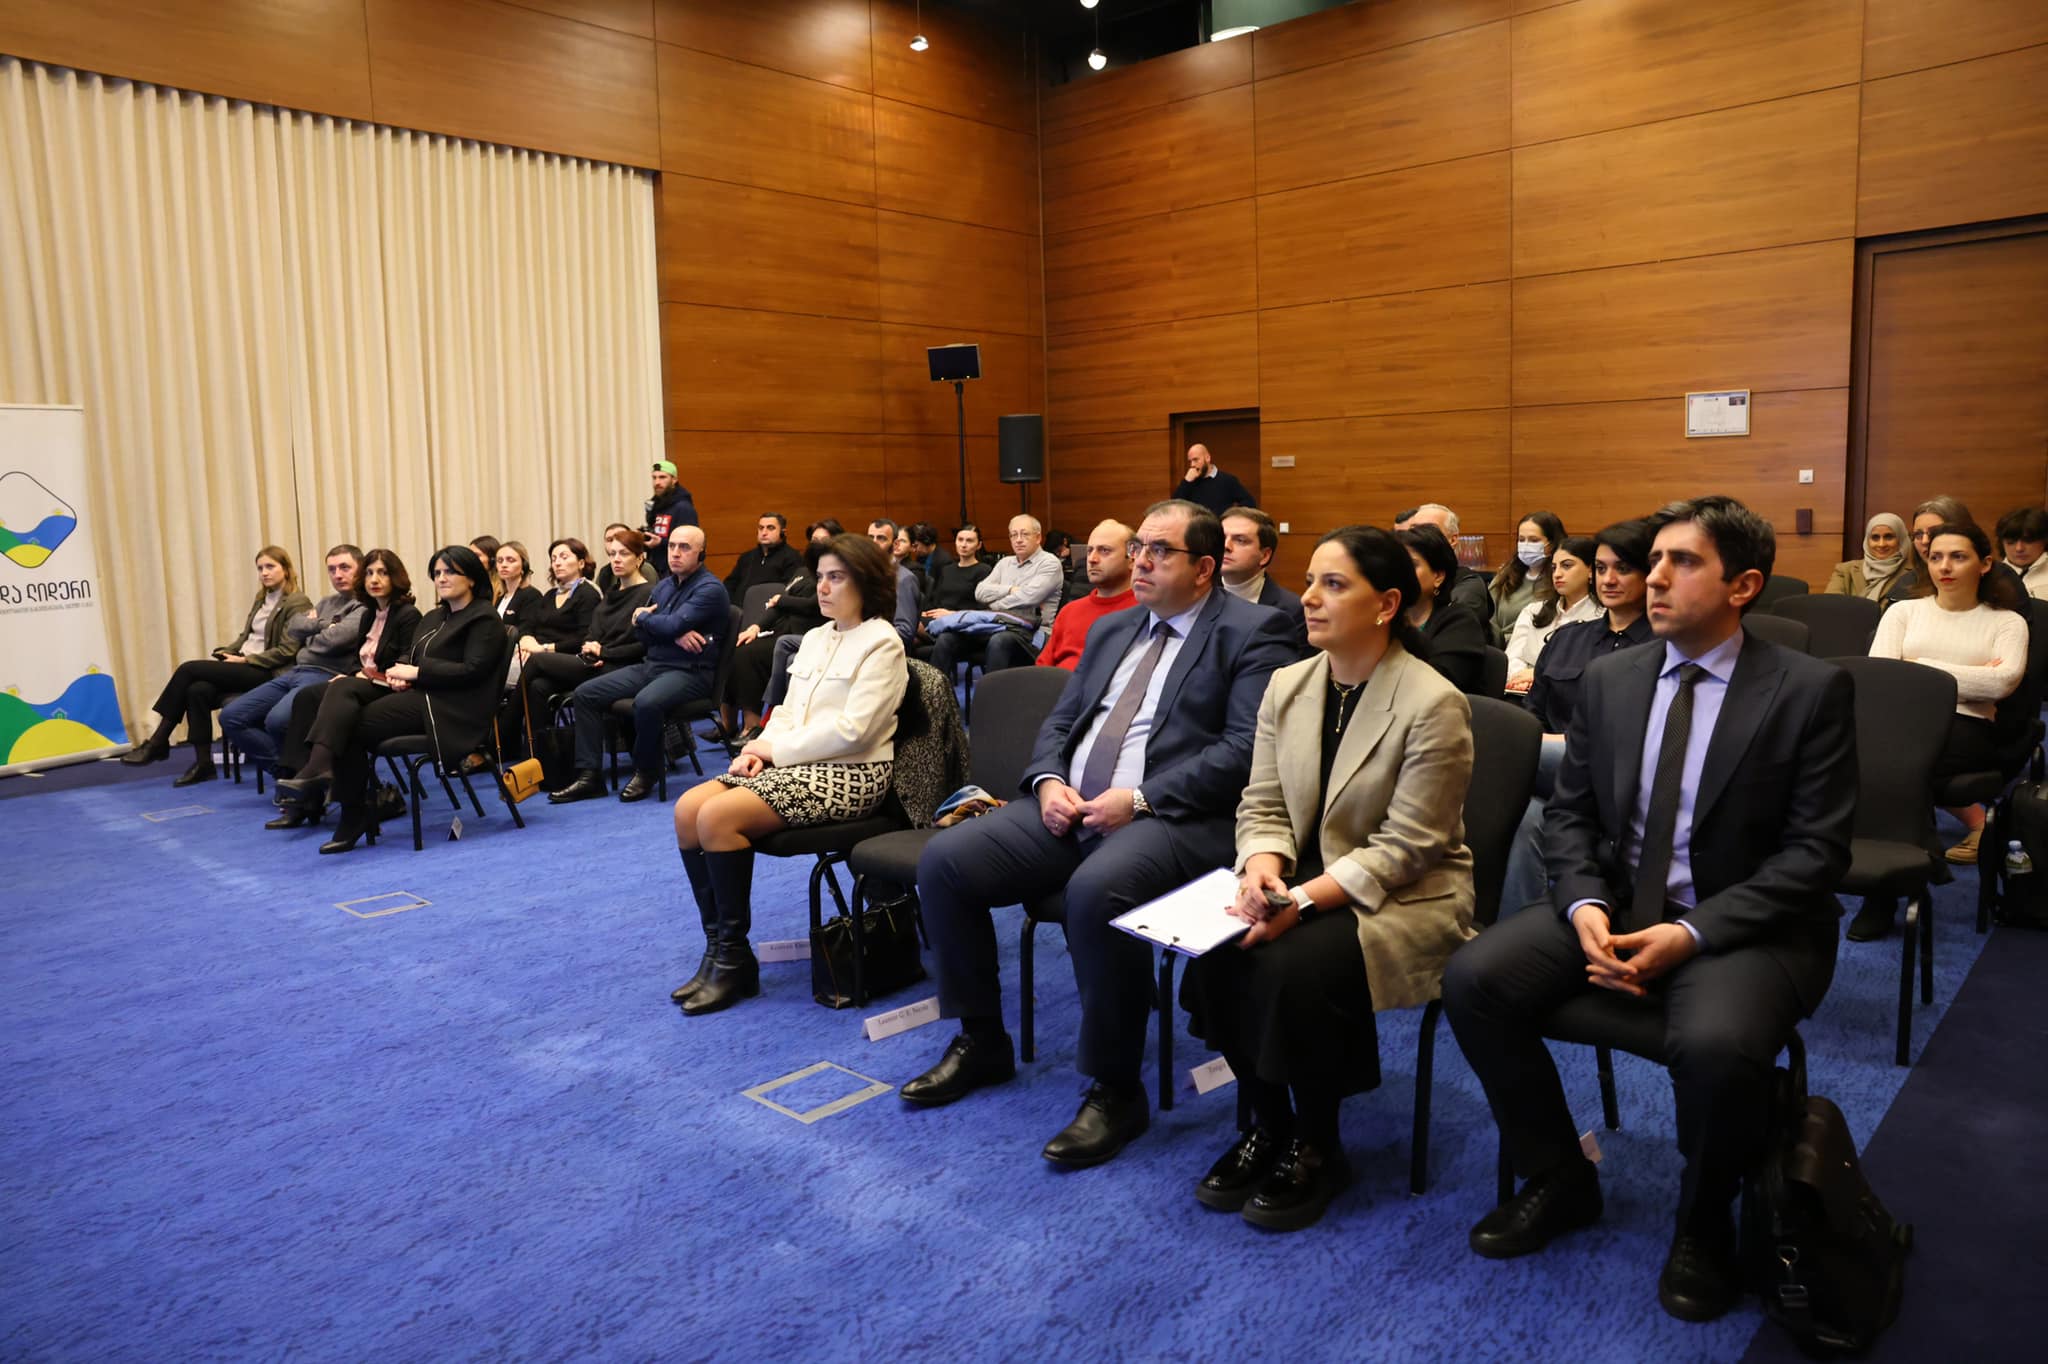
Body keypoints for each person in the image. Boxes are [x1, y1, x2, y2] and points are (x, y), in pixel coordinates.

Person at [1444, 495, 1856, 1325]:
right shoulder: (1612, 678)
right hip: (1616, 903)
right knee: (1474, 980)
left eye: (1683, 562)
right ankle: (1559, 1174)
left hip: (1744, 925)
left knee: (1715, 1045)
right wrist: (1584, 904)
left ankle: (1703, 1221)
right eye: (1654, 559)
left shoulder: (1809, 690)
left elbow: (1816, 856)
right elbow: (1571, 816)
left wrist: (1690, 932)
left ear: (1743, 586)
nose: (1654, 578)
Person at [900, 499, 1296, 1169]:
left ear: (1204, 569)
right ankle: (981, 1039)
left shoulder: (1255, 631)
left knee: (1095, 892)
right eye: (1139, 547)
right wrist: (1048, 781)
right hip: (1072, 804)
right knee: (945, 862)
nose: (1141, 561)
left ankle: (1115, 1089)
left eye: (1160, 551)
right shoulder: (1115, 628)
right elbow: (1060, 722)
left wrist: (1137, 798)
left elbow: (1242, 750)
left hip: (1172, 816)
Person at [1182, 525, 1476, 1231]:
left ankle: (1318, 1145)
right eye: (1311, 581)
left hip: (1403, 892)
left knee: (1292, 966)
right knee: (1216, 950)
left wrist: (1299, 901)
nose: (1309, 598)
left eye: (1334, 585)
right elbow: (1262, 802)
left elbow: (1408, 846)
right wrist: (1261, 869)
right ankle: (1269, 1124)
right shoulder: (1290, 684)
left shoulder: (1433, 701)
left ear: (1387, 605)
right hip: (1299, 874)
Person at [669, 533, 908, 1015]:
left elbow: (854, 732)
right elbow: (788, 711)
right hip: (800, 762)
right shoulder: (816, 638)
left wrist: (775, 751)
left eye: (836, 578)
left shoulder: (883, 642)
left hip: (853, 775)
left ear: (866, 583)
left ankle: (733, 960)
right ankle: (721, 951)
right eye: (820, 577)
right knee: (687, 809)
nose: (823, 587)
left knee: (716, 817)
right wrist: (758, 750)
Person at [274, 546, 510, 854]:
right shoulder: (436, 616)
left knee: (349, 722)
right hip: (423, 695)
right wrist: (401, 672)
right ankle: (338, 793)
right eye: (437, 573)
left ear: (472, 578)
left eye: (450, 572)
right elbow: (411, 656)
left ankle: (348, 807)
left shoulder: (484, 618)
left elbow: (473, 670)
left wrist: (417, 672)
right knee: (343, 699)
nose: (441, 578)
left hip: (453, 710)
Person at [1500, 520, 1657, 914]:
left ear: (1650, 575)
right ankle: (1523, 931)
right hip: (1552, 774)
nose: (1609, 579)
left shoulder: (1665, 647)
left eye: (1623, 569)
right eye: (1601, 568)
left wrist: (1551, 744)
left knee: (1495, 753)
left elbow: (1639, 734)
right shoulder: (1569, 638)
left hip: (1619, 774)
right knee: (1528, 817)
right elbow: (1533, 712)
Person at [1862, 521, 2028, 884]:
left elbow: (2001, 683)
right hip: (1900, 721)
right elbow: (1882, 677)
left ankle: (1897, 877)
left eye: (1958, 557)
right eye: (1935, 557)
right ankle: (1920, 857)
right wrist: (1971, 676)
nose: (1944, 567)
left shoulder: (2007, 622)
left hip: (1968, 726)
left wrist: (1917, 666)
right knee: (1871, 755)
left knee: (1898, 766)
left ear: (1985, 564)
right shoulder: (1903, 612)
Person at [550, 526, 731, 804]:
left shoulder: (710, 589)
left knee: (646, 702)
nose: (675, 553)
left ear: (702, 553)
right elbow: (643, 635)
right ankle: (589, 777)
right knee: (585, 694)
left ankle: (647, 771)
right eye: (672, 546)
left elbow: (663, 623)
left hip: (691, 672)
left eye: (685, 547)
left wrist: (646, 618)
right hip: (654, 665)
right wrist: (669, 631)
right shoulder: (664, 586)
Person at [121, 545, 314, 785]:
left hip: (267, 671)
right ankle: (204, 764)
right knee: (197, 690)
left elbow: (287, 650)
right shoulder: (262, 598)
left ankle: (158, 741)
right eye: (260, 568)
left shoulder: (297, 602)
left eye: (270, 567)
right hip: (245, 664)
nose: (264, 573)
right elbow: (246, 637)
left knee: (188, 669)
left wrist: (245, 659)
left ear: (285, 569)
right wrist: (229, 651)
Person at [265, 549, 422, 829]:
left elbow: (405, 659)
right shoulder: (369, 615)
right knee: (307, 697)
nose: (374, 579)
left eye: (382, 573)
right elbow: (356, 660)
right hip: (363, 682)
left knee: (342, 690)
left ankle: (318, 768)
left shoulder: (407, 614)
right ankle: (303, 791)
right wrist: (351, 674)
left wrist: (359, 676)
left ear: (395, 577)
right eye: (370, 573)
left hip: (390, 686)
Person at [219, 545, 365, 774]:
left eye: (345, 567)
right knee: (231, 716)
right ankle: (289, 773)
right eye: (332, 569)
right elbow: (294, 627)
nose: (337, 574)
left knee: (277, 721)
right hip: (297, 670)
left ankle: (299, 776)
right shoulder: (326, 602)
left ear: (361, 569)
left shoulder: (364, 606)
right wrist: (326, 625)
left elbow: (335, 639)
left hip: (326, 675)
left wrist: (313, 628)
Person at [517, 527, 658, 740]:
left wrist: (602, 651)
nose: (616, 559)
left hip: (621, 667)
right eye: (612, 554)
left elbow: (642, 646)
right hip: (594, 662)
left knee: (537, 661)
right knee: (538, 686)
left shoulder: (649, 593)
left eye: (623, 554)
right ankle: (541, 753)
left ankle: (504, 733)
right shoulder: (611, 594)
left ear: (639, 559)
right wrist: (590, 647)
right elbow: (592, 633)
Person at [927, 515, 1062, 686]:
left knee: (1000, 640)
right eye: (1014, 535)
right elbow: (980, 592)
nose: (1018, 540)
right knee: (947, 638)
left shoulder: (1049, 563)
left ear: (1038, 537)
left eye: (1024, 534)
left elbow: (1028, 597)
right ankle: (936, 696)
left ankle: (992, 699)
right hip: (996, 625)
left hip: (1032, 632)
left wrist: (994, 606)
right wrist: (1010, 590)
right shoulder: (1005, 563)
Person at [1396, 525, 1488, 695]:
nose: (1400, 573)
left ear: (1438, 576)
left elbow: (1437, 684)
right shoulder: (1385, 619)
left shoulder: (1460, 621)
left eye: (1411, 565)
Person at [1035, 519, 1136, 671]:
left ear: (1132, 559)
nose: (1092, 559)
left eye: (1105, 551)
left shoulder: (1149, 612)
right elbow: (1041, 673)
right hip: (1058, 685)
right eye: (1089, 551)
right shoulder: (1069, 612)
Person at [1504, 534, 1601, 691]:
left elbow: (1591, 670)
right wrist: (1522, 679)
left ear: (1591, 570)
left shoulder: (1603, 617)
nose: (1557, 574)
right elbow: (1512, 658)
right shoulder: (1534, 610)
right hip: (1521, 691)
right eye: (1554, 567)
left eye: (1567, 566)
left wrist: (1538, 676)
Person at [1219, 505, 1309, 656]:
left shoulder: (1292, 611)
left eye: (1240, 540)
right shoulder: (1195, 597)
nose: (1225, 546)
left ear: (1265, 556)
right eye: (1221, 538)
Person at [1406, 503, 1494, 630]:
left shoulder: (1468, 584)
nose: (1418, 536)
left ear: (1453, 540)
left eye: (1429, 529)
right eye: (1414, 529)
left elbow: (1459, 631)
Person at [517, 539, 600, 665]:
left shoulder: (588, 593)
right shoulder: (550, 595)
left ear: (581, 563)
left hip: (568, 657)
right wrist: (527, 641)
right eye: (553, 559)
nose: (557, 563)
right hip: (539, 654)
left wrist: (543, 649)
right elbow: (528, 625)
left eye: (564, 557)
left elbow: (583, 639)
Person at [1489, 512, 1566, 644]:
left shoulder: (1559, 581)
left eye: (1534, 540)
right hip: (1496, 647)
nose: (1525, 546)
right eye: (1521, 540)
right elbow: (1488, 616)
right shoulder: (1505, 576)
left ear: (1552, 544)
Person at [1821, 514, 1910, 601]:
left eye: (1888, 537)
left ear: (1901, 539)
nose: (1881, 544)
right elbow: (1831, 605)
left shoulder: (1913, 573)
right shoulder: (1846, 571)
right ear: (1867, 541)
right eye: (1875, 537)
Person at [723, 512, 807, 604]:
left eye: (770, 528)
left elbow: (788, 592)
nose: (764, 533)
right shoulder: (747, 557)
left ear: (782, 532)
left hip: (769, 609)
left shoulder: (792, 558)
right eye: (761, 528)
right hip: (737, 609)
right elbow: (729, 585)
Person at [920, 524, 992, 625]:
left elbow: (982, 609)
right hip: (939, 617)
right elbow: (936, 599)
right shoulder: (947, 570)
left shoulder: (984, 570)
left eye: (969, 541)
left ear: (979, 545)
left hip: (963, 620)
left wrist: (952, 614)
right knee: (912, 621)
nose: (963, 545)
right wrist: (927, 612)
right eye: (960, 540)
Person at [1175, 442, 1255, 516]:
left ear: (1207, 458)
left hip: (1219, 525)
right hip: (1197, 526)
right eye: (1190, 461)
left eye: (1196, 460)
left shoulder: (1227, 480)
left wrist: (1231, 517)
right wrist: (1186, 482)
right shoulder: (1189, 483)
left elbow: (1249, 502)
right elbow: (1174, 507)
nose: (1192, 465)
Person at [1995, 506, 2048, 600]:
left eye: (2028, 541)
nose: (2019, 548)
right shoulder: (1988, 576)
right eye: (2011, 542)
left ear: (2044, 540)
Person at [644, 459, 697, 550]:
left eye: (662, 477)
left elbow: (689, 541)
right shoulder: (655, 504)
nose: (657, 482)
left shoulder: (683, 507)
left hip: (675, 558)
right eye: (654, 478)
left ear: (674, 480)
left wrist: (661, 542)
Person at [595, 522, 660, 593]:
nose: (615, 542)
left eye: (621, 537)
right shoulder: (604, 572)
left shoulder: (646, 570)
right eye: (610, 540)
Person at [491, 541, 542, 629]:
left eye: (510, 560)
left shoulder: (532, 595)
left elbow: (526, 629)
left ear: (524, 565)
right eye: (500, 561)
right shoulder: (500, 596)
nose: (504, 565)